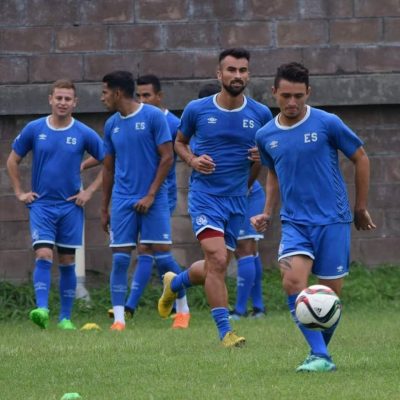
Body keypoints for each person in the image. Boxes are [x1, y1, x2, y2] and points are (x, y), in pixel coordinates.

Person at [251, 62, 376, 371]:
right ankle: (321, 355)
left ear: (308, 92)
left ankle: (318, 354)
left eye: (298, 95)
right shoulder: (265, 135)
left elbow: (361, 158)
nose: (292, 102)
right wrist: (267, 211)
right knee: (292, 282)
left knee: (329, 296)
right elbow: (273, 174)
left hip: (333, 220)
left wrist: (360, 207)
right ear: (274, 92)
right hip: (295, 223)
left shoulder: (327, 123)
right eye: (286, 96)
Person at [157, 48, 273, 347]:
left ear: (248, 74)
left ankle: (175, 282)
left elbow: (267, 156)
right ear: (219, 74)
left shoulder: (260, 114)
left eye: (242, 70)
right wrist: (193, 160)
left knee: (215, 267)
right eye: (231, 70)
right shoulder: (197, 109)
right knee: (218, 258)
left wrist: (261, 157)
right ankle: (226, 332)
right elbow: (179, 143)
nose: (237, 75)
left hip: (237, 199)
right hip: (205, 196)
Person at [6, 79, 104, 330]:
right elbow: (12, 160)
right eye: (58, 98)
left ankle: (65, 319)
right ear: (50, 99)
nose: (62, 103)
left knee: (67, 261)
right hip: (42, 205)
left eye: (67, 99)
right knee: (43, 253)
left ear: (75, 102)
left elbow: (109, 161)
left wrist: (89, 191)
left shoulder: (83, 132)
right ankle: (41, 309)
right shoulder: (34, 128)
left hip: (71, 206)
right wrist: (19, 192)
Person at [101, 70, 174, 331]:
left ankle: (183, 310)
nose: (102, 98)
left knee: (163, 257)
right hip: (123, 199)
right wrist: (104, 207)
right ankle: (119, 320)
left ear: (117, 93)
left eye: (105, 92)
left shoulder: (153, 116)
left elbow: (167, 157)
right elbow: (108, 168)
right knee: (120, 258)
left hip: (154, 197)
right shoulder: (111, 124)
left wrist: (151, 194)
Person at [120, 74, 190, 329]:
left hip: (162, 193)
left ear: (159, 97)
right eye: (138, 95)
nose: (142, 100)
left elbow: (187, 149)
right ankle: (130, 307)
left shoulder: (172, 123)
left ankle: (182, 304)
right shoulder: (131, 119)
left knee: (156, 248)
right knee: (145, 249)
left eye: (147, 95)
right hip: (139, 193)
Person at [198, 84, 267, 321]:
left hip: (247, 193)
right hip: (222, 198)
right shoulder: (202, 130)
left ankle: (241, 309)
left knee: (245, 248)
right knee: (243, 251)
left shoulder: (247, 120)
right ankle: (257, 307)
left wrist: (244, 188)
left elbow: (260, 156)